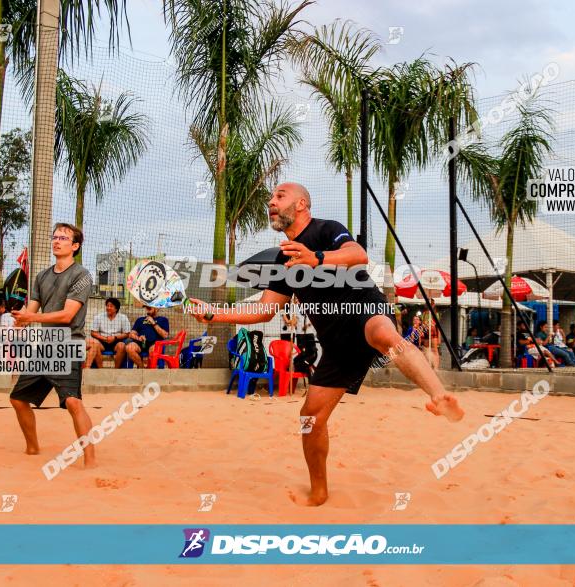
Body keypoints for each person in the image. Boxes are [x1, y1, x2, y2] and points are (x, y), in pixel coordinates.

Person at [189, 182, 463, 506]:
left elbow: (357, 255)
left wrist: (316, 258)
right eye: (271, 198)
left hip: (364, 312)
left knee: (384, 336)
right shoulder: (282, 259)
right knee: (310, 417)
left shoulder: (326, 230)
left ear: (302, 203)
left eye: (280, 196)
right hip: (336, 345)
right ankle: (319, 490)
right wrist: (215, 315)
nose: (271, 201)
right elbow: (265, 310)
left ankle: (438, 394)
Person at [8, 223, 96, 468]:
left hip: (69, 344)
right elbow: (31, 310)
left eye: (63, 238)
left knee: (72, 402)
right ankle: (33, 446)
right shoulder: (42, 276)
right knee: (17, 399)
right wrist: (18, 321)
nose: (57, 241)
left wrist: (30, 319)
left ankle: (90, 460)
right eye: (55, 237)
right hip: (46, 347)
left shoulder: (82, 275)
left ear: (75, 246)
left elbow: (67, 316)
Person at [86, 297, 131, 368]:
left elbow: (127, 333)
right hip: (102, 341)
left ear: (116, 309)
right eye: (107, 306)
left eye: (111, 306)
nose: (108, 308)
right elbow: (93, 332)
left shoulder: (123, 318)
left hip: (116, 341)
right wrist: (104, 338)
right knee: (94, 344)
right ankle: (100, 369)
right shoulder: (99, 317)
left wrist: (115, 337)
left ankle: (116, 369)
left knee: (122, 346)